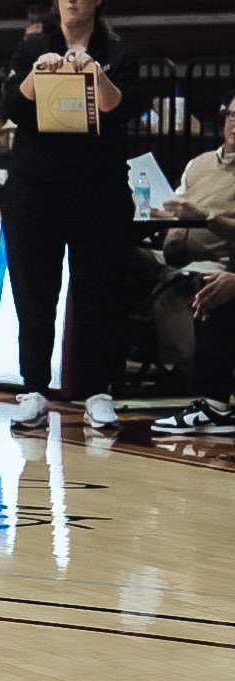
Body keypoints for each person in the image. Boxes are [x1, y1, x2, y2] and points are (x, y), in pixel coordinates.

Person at [0, 0, 140, 430]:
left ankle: (98, 392)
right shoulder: (32, 47)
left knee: (100, 290)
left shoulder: (118, 52)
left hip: (98, 190)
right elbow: (10, 107)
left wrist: (95, 74)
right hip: (34, 189)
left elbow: (125, 108)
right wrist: (37, 75)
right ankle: (34, 390)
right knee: (34, 291)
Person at [152, 92, 235, 435]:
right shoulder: (198, 164)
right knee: (113, 265)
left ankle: (212, 403)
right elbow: (174, 208)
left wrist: (206, 217)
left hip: (217, 262)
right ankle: (100, 386)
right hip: (167, 255)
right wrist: (150, 209)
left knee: (213, 284)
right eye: (232, 115)